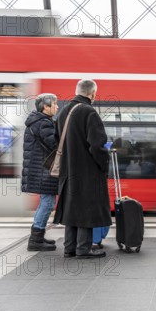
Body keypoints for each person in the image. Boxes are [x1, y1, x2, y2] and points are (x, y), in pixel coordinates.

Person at [53, 79, 111, 259]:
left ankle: (70, 248)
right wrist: (104, 163)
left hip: (67, 170)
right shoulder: (89, 112)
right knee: (87, 208)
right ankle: (83, 249)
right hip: (86, 171)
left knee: (72, 208)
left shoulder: (63, 111)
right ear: (93, 93)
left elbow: (56, 139)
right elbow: (97, 145)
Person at [22, 93, 59, 252]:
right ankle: (35, 240)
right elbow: (54, 144)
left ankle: (38, 236)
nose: (57, 107)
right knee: (47, 203)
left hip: (39, 169)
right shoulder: (43, 123)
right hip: (43, 171)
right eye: (55, 104)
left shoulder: (40, 121)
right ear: (45, 106)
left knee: (47, 202)